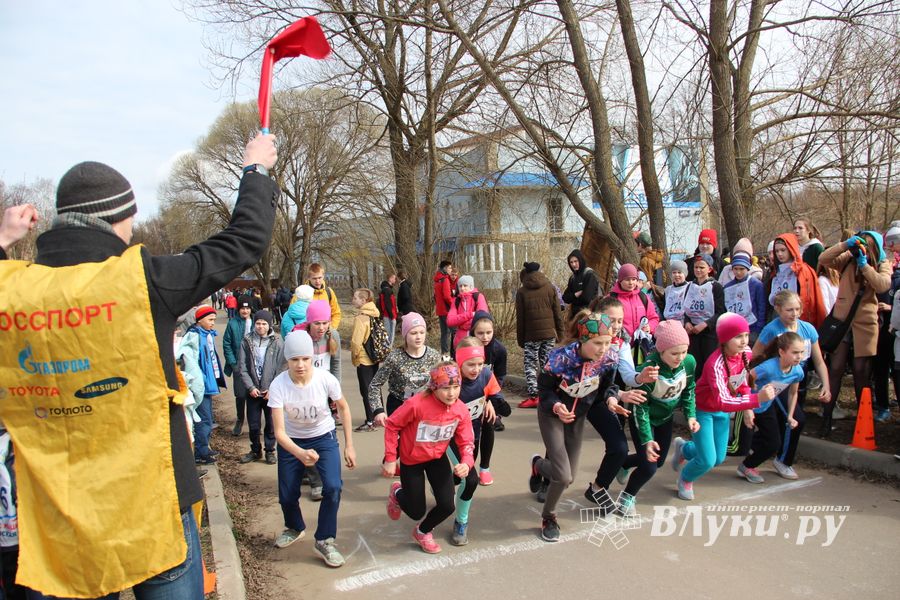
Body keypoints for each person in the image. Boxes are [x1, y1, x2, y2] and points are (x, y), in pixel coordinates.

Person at [0, 133, 277, 598]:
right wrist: (255, 171)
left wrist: (4, 238)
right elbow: (243, 241)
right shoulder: (142, 281)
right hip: (153, 499)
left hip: (57, 515)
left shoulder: (13, 292)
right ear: (117, 221)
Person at [529, 312, 623, 542]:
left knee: (569, 477)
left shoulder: (609, 359)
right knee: (562, 476)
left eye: (607, 342)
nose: (603, 349)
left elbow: (608, 387)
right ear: (583, 340)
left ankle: (539, 466)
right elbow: (544, 390)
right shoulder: (560, 359)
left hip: (577, 418)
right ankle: (549, 517)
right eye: (597, 343)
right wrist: (557, 405)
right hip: (552, 415)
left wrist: (612, 399)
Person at [267, 330, 356, 567]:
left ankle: (325, 539)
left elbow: (344, 409)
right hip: (292, 442)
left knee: (333, 488)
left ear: (311, 357)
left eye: (305, 359)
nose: (300, 365)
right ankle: (295, 527)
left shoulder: (325, 379)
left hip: (323, 437)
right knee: (287, 495)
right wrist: (299, 453)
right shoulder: (278, 385)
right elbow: (279, 433)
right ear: (287, 360)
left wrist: (349, 446)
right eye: (294, 359)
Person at [671, 314, 776, 501]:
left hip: (721, 413)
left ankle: (685, 449)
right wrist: (756, 399)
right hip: (703, 410)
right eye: (738, 336)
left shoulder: (745, 353)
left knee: (718, 458)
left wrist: (748, 408)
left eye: (745, 335)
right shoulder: (715, 364)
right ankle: (686, 479)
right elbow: (724, 401)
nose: (744, 341)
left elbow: (742, 381)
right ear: (724, 339)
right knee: (707, 460)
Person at [383, 362, 475, 554]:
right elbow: (392, 425)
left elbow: (466, 441)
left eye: (456, 387)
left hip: (436, 458)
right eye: (445, 388)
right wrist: (391, 458)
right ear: (434, 387)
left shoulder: (460, 409)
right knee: (416, 511)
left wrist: (466, 463)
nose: (451, 393)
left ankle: (423, 531)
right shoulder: (416, 404)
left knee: (447, 505)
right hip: (412, 460)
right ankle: (398, 493)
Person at [818, 232, 893, 436]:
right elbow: (823, 259)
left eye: (866, 247)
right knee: (835, 368)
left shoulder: (882, 263)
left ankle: (864, 421)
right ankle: (826, 418)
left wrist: (865, 265)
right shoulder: (847, 258)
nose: (861, 250)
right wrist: (844, 245)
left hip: (865, 322)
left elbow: (882, 284)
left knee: (861, 371)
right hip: (842, 321)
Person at [751, 290, 831, 477]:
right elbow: (755, 355)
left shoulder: (808, 329)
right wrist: (754, 381)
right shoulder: (772, 329)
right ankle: (783, 460)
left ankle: (756, 445)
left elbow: (819, 361)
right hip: (777, 381)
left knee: (785, 421)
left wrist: (826, 385)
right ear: (778, 309)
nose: (794, 313)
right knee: (796, 419)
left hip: (797, 378)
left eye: (797, 309)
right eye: (789, 310)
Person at [620, 321, 697, 513]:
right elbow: (640, 408)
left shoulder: (689, 363)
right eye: (674, 353)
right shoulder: (650, 370)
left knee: (660, 460)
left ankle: (623, 463)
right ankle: (627, 497)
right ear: (661, 351)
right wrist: (646, 440)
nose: (680, 357)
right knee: (649, 465)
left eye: (683, 351)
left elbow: (689, 390)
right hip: (643, 418)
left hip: (665, 417)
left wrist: (690, 416)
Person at [446, 338, 508, 545]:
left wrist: (491, 402)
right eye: (470, 364)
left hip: (473, 435)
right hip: (451, 438)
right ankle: (461, 522)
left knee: (461, 479)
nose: (476, 369)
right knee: (470, 480)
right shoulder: (450, 378)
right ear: (459, 363)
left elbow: (498, 398)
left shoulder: (486, 375)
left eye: (479, 363)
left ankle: (450, 487)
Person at [738, 332, 805, 484]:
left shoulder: (797, 371)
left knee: (773, 442)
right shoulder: (769, 368)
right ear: (781, 352)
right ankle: (693, 449)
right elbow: (746, 377)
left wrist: (790, 416)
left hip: (765, 407)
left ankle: (747, 466)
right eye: (795, 352)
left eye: (801, 352)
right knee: (737, 447)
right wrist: (751, 386)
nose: (799, 356)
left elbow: (793, 393)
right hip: (748, 406)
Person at [368, 312, 441, 424]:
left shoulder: (434, 356)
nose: (418, 337)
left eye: (422, 332)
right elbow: (374, 385)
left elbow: (441, 383)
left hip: (425, 406)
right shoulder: (395, 357)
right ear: (405, 335)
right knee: (402, 441)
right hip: (399, 406)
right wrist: (378, 410)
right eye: (413, 333)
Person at [238, 310, 285, 465]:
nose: (260, 327)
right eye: (258, 323)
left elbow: (281, 368)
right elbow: (242, 367)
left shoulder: (277, 342)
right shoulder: (247, 341)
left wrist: (272, 389)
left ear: (269, 324)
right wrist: (250, 387)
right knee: (253, 424)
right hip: (253, 391)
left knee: (271, 424)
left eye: (264, 324)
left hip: (270, 392)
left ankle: (270, 450)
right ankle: (255, 450)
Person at [515, 261, 563, 409]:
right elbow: (557, 312)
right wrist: (559, 333)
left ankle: (534, 396)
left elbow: (520, 318)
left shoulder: (522, 292)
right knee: (547, 363)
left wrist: (521, 338)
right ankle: (549, 392)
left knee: (530, 363)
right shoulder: (550, 287)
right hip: (549, 333)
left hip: (531, 335)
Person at [183, 305, 226, 465]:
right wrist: (201, 381)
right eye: (210, 320)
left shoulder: (206, 334)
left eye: (214, 319)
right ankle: (201, 452)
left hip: (207, 383)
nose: (213, 323)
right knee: (203, 419)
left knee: (207, 418)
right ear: (200, 319)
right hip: (201, 385)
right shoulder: (195, 337)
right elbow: (193, 363)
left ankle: (204, 448)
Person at [469, 311, 508, 480]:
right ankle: (468, 467)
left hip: (489, 395)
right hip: (470, 396)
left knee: (489, 425)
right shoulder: (466, 346)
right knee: (471, 434)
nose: (485, 337)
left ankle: (485, 468)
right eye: (480, 333)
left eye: (488, 332)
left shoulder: (499, 350)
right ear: (473, 332)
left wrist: (491, 401)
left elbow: (499, 377)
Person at [767, 233, 826, 328]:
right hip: (779, 316)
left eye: (783, 250)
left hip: (798, 318)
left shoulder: (803, 271)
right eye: (777, 251)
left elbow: (809, 300)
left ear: (791, 249)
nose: (779, 254)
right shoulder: (776, 272)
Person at [683, 254, 726, 372]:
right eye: (696, 267)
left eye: (702, 267)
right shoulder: (689, 286)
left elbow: (721, 312)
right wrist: (687, 322)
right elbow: (686, 308)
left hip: (709, 333)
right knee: (695, 366)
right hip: (693, 332)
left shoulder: (716, 287)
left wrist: (705, 324)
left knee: (709, 365)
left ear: (709, 269)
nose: (698, 270)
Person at [350, 288, 381, 430]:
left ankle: (370, 421)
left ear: (363, 301)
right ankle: (379, 415)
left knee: (366, 390)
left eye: (355, 298)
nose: (353, 299)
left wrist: (354, 357)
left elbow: (356, 342)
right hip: (374, 356)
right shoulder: (375, 313)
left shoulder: (361, 318)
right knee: (375, 388)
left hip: (364, 358)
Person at [224, 300, 254, 436]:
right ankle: (240, 419)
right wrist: (233, 363)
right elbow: (227, 344)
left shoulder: (256, 322)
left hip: (254, 365)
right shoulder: (232, 323)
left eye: (247, 309)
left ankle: (254, 424)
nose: (245, 311)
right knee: (240, 394)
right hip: (239, 365)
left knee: (254, 395)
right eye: (242, 308)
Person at [722, 252, 765, 344]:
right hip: (734, 328)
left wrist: (759, 327)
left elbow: (762, 306)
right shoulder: (727, 287)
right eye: (735, 269)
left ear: (748, 268)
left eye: (742, 269)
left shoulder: (756, 284)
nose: (738, 272)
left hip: (752, 328)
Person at [447, 275, 490, 354]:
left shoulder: (478, 297)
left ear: (471, 286)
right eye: (460, 286)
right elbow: (450, 321)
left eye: (465, 285)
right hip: (459, 340)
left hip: (476, 337)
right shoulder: (456, 301)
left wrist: (459, 320)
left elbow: (481, 317)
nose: (462, 288)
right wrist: (470, 314)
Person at [562, 249, 600, 319]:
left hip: (589, 316)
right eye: (571, 262)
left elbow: (586, 298)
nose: (573, 264)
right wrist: (575, 295)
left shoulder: (589, 274)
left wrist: (573, 300)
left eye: (576, 261)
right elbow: (565, 298)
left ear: (580, 260)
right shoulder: (572, 278)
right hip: (575, 317)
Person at [306, 263, 342, 329]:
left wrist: (331, 328)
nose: (317, 281)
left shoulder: (329, 292)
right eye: (314, 278)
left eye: (320, 278)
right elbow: (295, 314)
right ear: (309, 278)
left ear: (323, 276)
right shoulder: (302, 293)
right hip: (308, 334)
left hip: (326, 333)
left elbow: (336, 313)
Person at [433, 260, 455, 356]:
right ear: (445, 268)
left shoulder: (437, 280)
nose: (451, 270)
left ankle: (444, 354)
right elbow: (447, 296)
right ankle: (454, 353)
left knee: (444, 333)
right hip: (446, 310)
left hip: (440, 310)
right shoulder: (445, 280)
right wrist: (453, 305)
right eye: (450, 268)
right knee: (454, 332)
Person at [378, 275, 399, 346]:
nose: (395, 280)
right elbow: (387, 304)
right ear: (390, 278)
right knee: (390, 335)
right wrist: (392, 316)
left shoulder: (385, 289)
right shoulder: (387, 290)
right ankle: (388, 350)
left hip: (387, 315)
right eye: (394, 278)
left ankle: (387, 348)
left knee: (388, 334)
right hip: (389, 315)